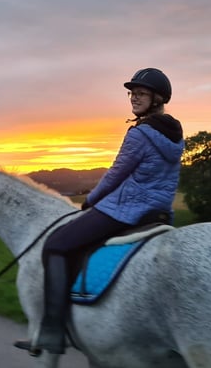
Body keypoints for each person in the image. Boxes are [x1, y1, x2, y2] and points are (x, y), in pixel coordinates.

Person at [15, 67, 184, 355]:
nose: (134, 98)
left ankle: (53, 330)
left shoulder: (140, 134)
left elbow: (116, 174)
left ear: (158, 98)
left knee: (56, 245)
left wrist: (91, 199)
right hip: (159, 212)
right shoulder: (174, 135)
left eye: (141, 93)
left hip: (127, 209)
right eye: (132, 93)